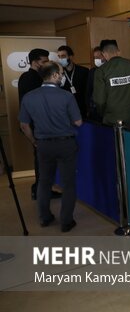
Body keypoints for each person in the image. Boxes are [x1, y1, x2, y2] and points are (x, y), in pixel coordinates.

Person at [18, 61, 82, 232]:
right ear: (54, 75)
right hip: (66, 143)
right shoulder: (66, 96)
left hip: (43, 145)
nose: (62, 76)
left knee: (44, 182)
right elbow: (78, 121)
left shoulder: (29, 97)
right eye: (60, 73)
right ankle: (66, 221)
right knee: (68, 184)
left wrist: (34, 141)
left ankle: (44, 218)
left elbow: (24, 125)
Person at [18, 48, 52, 200]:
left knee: (43, 160)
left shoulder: (36, 76)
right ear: (35, 62)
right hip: (36, 125)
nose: (46, 64)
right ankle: (41, 191)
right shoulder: (29, 78)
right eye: (44, 61)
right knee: (41, 161)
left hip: (39, 124)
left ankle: (41, 189)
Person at [93, 39, 130, 126]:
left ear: (104, 54)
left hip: (113, 120)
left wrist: (104, 114)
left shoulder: (101, 71)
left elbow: (100, 101)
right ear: (119, 52)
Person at [57, 45, 89, 116]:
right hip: (65, 110)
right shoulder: (58, 73)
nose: (60, 59)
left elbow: (88, 91)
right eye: (59, 56)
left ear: (71, 57)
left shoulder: (84, 71)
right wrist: (61, 73)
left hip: (82, 109)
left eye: (63, 56)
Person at [86, 46, 104, 120]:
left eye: (98, 57)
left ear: (104, 56)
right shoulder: (92, 71)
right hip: (95, 109)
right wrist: (89, 108)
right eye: (95, 58)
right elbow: (88, 90)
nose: (96, 60)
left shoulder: (111, 71)